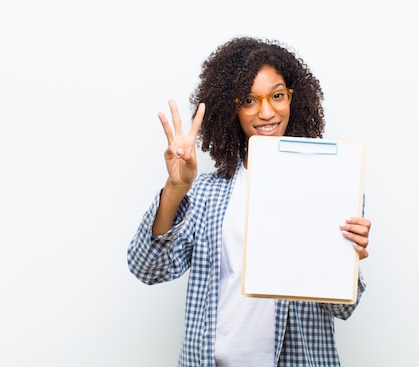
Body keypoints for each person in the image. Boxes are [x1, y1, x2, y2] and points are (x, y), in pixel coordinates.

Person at [127, 36, 372, 367]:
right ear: (233, 108)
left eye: (277, 95)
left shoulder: (331, 186)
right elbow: (147, 268)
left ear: (293, 99)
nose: (266, 112)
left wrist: (344, 260)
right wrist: (176, 187)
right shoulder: (207, 193)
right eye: (249, 100)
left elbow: (344, 308)